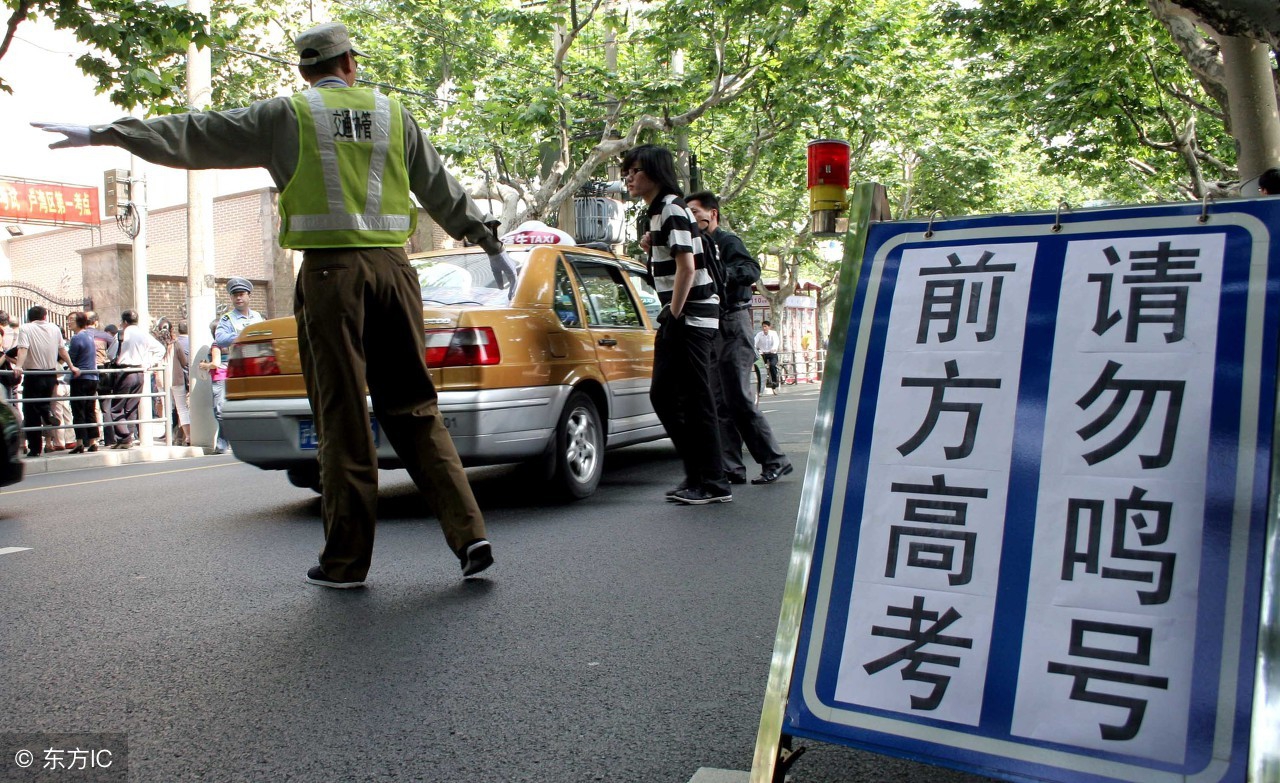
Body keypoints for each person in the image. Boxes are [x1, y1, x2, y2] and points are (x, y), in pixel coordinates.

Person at [36, 22, 511, 587]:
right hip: (394, 271)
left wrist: (109, 132)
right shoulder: (392, 114)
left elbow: (198, 133)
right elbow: (440, 186)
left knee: (341, 417)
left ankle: (346, 562)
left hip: (332, 275)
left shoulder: (289, 115)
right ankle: (470, 534)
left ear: (305, 71)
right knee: (413, 407)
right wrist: (484, 237)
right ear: (351, 63)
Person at [623, 144, 730, 505]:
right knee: (669, 395)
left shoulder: (670, 207)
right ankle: (699, 476)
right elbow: (673, 267)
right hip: (684, 314)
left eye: (635, 171)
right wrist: (652, 249)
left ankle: (712, 482)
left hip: (692, 316)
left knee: (694, 397)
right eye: (627, 172)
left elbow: (688, 268)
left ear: (654, 171)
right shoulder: (659, 213)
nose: (629, 178)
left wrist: (675, 313)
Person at [686, 192, 793, 486]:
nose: (692, 218)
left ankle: (775, 460)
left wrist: (723, 274)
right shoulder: (693, 246)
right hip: (710, 327)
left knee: (738, 398)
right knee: (718, 401)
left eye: (696, 212)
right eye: (688, 213)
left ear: (713, 214)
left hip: (733, 322)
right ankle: (731, 467)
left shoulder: (727, 242)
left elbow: (750, 271)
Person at [199, 278, 264, 453]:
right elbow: (220, 339)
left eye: (241, 294)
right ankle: (223, 442)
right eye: (235, 295)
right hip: (233, 370)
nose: (238, 298)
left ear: (249, 296)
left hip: (255, 368)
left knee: (254, 407)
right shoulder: (227, 319)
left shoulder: (258, 317)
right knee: (222, 409)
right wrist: (244, 335)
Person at [11, 306, 78, 457]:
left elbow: (23, 349)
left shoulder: (25, 328)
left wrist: (18, 366)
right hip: (50, 375)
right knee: (44, 403)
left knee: (30, 412)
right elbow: (62, 350)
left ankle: (35, 448)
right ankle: (46, 412)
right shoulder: (54, 328)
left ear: (29, 317)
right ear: (45, 316)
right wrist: (72, 365)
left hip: (33, 375)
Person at [106, 309, 164, 448]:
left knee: (116, 407)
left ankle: (124, 437)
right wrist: (148, 363)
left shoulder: (121, 334)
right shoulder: (144, 334)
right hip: (140, 372)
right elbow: (160, 349)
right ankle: (128, 437)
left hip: (125, 372)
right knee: (131, 407)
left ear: (124, 321)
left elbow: (110, 354)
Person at [66, 311, 100, 453]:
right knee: (90, 410)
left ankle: (80, 442)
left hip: (80, 378)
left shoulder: (76, 338)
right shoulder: (89, 336)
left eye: (71, 320)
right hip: (92, 377)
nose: (69, 322)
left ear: (79, 321)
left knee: (78, 410)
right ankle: (93, 441)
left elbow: (72, 358)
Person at [170, 321, 192, 446]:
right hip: (180, 378)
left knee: (171, 408)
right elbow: (185, 362)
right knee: (183, 408)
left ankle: (176, 436)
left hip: (164, 379)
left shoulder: (167, 344)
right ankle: (187, 436)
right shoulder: (188, 342)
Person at [755, 320, 781, 394]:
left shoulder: (773, 334)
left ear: (769, 327)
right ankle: (760, 385)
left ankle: (774, 383)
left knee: (772, 365)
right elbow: (755, 342)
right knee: (758, 367)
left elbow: (776, 342)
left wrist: (774, 348)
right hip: (763, 354)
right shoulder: (759, 334)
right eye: (763, 326)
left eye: (765, 326)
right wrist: (754, 348)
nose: (764, 328)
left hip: (772, 353)